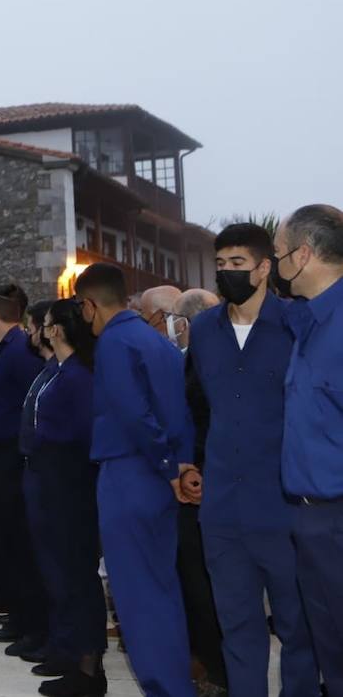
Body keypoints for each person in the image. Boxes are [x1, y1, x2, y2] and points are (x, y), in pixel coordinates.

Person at [188, 224, 318, 697]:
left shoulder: (299, 323)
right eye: (220, 265)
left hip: (285, 505)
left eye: (237, 264)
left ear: (265, 268)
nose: (227, 273)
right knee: (237, 627)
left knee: (297, 628)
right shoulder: (202, 330)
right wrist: (185, 463)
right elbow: (195, 406)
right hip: (222, 508)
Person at [76, 262, 195, 697]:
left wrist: (166, 466)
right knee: (162, 588)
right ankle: (175, 682)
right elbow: (178, 413)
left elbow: (134, 414)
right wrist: (179, 466)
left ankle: (165, 688)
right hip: (159, 473)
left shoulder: (114, 341)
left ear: (89, 305)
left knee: (137, 596)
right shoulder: (156, 339)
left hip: (131, 472)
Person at [141, 286, 227, 691]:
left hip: (203, 482)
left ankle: (216, 669)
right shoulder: (189, 360)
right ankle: (204, 663)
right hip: (191, 479)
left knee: (201, 583)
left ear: (183, 323)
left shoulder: (206, 366)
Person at [275, 204, 343, 692]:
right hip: (310, 518)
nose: (275, 265)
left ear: (303, 255)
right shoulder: (309, 323)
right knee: (330, 650)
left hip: (337, 518)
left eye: (277, 254)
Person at [24, 300, 106, 697]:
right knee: (59, 573)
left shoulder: (78, 376)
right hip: (50, 480)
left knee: (77, 576)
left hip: (71, 484)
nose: (40, 330)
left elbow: (84, 434)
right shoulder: (56, 371)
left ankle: (89, 667)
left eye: (47, 325)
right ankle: (69, 652)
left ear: (56, 330)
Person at [0, 284, 48, 652]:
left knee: (19, 541)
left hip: (12, 456)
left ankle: (28, 621)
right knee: (7, 538)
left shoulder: (19, 351)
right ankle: (18, 612)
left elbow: (29, 400)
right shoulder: (5, 349)